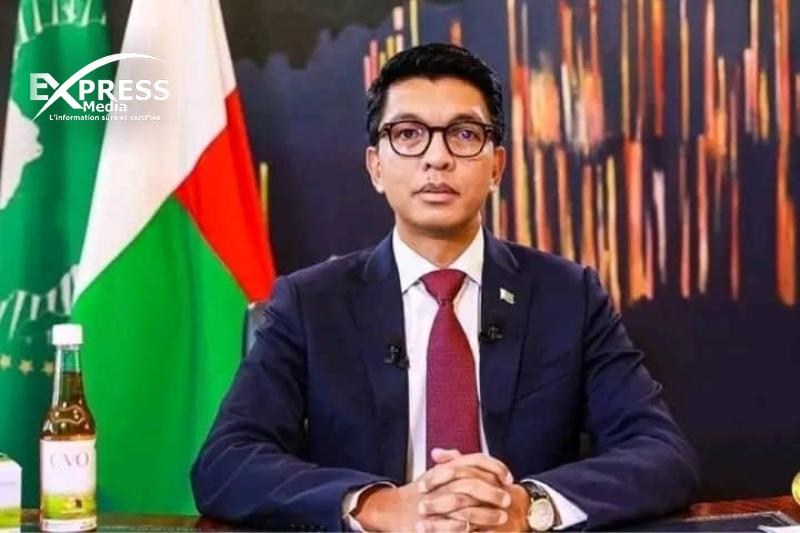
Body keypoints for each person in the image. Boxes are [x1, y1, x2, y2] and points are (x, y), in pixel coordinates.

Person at [191, 43, 700, 532]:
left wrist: (529, 507)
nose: (437, 158)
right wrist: (378, 506)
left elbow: (662, 452)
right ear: (376, 167)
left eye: (463, 134)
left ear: (496, 166)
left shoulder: (569, 296)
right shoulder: (310, 304)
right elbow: (226, 462)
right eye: (409, 134)